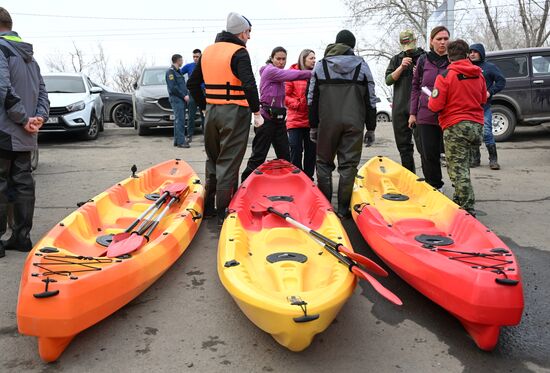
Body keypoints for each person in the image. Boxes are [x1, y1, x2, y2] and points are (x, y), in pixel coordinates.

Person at [187, 12, 262, 225]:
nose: (248, 37)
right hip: (235, 112)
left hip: (211, 111)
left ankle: (208, 208)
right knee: (228, 162)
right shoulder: (239, 52)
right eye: (248, 32)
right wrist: (256, 112)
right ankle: (224, 212)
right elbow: (249, 84)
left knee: (213, 159)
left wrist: (204, 107)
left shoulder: (208, 51)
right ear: (240, 32)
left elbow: (192, 84)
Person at [308, 29, 377, 218]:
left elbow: (312, 98)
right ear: (352, 47)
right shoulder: (362, 66)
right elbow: (371, 99)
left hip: (327, 122)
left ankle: (326, 209)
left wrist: (313, 125)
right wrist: (371, 127)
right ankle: (343, 209)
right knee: (348, 166)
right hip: (354, 123)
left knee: (323, 163)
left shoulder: (321, 66)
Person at [0, 7, 49, 258]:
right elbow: (42, 92)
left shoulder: (1, 50)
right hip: (26, 131)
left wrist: (23, 118)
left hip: (5, 128)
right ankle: (21, 236)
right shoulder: (30, 56)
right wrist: (38, 118)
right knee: (23, 182)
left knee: (1, 183)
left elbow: (3, 89)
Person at [428, 39, 487, 216]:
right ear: (467, 54)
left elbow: (435, 105)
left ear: (449, 55)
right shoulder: (479, 74)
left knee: (457, 169)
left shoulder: (446, 76)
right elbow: (483, 99)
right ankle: (459, 200)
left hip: (456, 127)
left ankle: (467, 209)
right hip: (476, 126)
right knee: (463, 167)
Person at [240, 47, 312, 182]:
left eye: (284, 59)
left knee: (285, 157)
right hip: (266, 121)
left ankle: (290, 184)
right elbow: (294, 75)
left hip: (279, 121)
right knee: (258, 156)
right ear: (272, 58)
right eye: (278, 59)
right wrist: (312, 73)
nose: (281, 62)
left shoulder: (278, 74)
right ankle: (245, 184)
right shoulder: (270, 71)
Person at [408, 26, 450, 191]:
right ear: (431, 41)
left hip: (448, 115)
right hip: (425, 114)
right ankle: (435, 186)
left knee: (452, 154)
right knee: (428, 154)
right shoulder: (423, 60)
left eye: (446, 39)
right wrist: (413, 113)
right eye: (439, 39)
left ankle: (460, 188)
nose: (442, 42)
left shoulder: (453, 60)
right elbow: (415, 87)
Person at [385, 30, 425, 173]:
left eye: (410, 43)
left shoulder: (424, 56)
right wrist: (401, 67)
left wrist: (418, 72)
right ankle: (410, 177)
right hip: (400, 108)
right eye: (405, 44)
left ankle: (431, 182)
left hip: (420, 108)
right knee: (404, 146)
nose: (408, 48)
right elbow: (388, 80)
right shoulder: (396, 59)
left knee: (424, 147)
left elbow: (433, 80)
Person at [469, 43, 506, 170]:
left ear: (481, 53)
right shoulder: (466, 67)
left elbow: (501, 81)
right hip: (469, 109)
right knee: (473, 134)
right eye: (470, 51)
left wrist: (490, 92)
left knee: (487, 133)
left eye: (475, 51)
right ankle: (475, 159)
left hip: (484, 108)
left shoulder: (489, 67)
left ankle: (493, 160)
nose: (472, 54)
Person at [285, 49, 316, 179]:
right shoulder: (291, 75)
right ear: (303, 59)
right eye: (311, 58)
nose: (314, 61)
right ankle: (296, 177)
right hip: (295, 120)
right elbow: (284, 95)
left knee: (311, 152)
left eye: (315, 58)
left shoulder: (316, 75)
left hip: (311, 121)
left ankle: (308, 178)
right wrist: (297, 104)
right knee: (296, 149)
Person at [166, 53, 190, 148]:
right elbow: (173, 87)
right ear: (178, 60)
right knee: (180, 120)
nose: (182, 62)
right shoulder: (170, 72)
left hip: (181, 99)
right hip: (177, 99)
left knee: (179, 119)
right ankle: (181, 142)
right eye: (181, 60)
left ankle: (177, 141)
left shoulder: (178, 71)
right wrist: (183, 95)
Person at [180, 49, 204, 143]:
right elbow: (178, 74)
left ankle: (206, 136)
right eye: (194, 56)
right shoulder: (189, 66)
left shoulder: (205, 65)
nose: (195, 58)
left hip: (203, 92)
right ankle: (189, 136)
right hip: (193, 92)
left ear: (201, 56)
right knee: (191, 115)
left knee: (205, 115)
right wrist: (184, 87)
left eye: (197, 57)